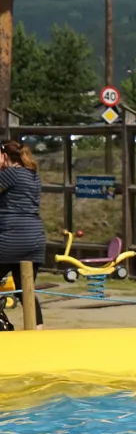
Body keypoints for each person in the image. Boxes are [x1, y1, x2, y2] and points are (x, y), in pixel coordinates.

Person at [0, 139, 46, 330]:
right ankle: (38, 331)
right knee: (25, 291)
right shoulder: (33, 176)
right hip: (34, 239)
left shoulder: (10, 174)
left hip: (11, 238)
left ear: (4, 156)